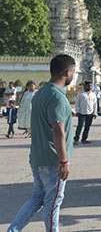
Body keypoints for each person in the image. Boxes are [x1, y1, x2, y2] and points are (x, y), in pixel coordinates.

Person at [7, 54, 75, 232]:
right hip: (53, 160)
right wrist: (63, 161)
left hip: (38, 156)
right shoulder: (56, 97)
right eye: (73, 72)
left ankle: (13, 229)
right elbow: (58, 131)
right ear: (68, 72)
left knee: (38, 197)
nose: (73, 75)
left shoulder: (41, 93)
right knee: (53, 202)